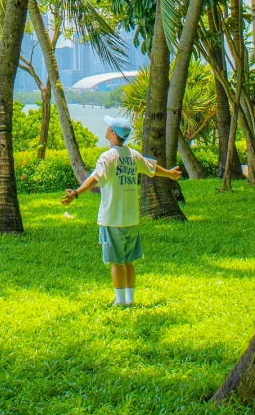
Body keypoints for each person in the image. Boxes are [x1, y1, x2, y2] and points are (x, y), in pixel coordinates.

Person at [62, 116, 183, 308]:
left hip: (112, 218)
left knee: (116, 262)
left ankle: (119, 302)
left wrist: (76, 193)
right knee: (127, 261)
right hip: (131, 219)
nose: (106, 128)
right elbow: (152, 168)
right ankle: (130, 299)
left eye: (108, 126)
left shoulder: (107, 157)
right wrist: (169, 173)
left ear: (112, 133)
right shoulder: (132, 155)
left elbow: (95, 178)